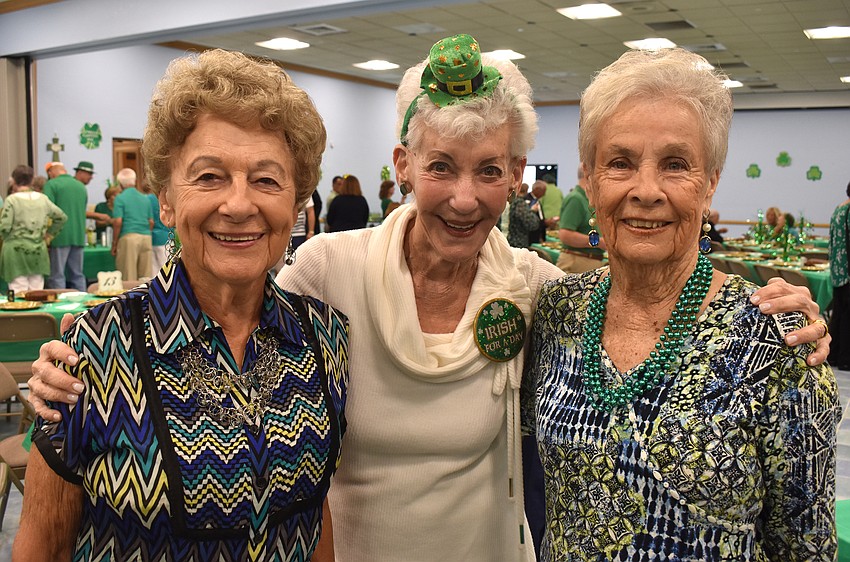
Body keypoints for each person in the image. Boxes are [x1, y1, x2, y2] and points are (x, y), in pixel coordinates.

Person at [28, 36, 830, 562]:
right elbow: (213, 288)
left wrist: (792, 315)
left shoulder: (541, 294)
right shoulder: (324, 279)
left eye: (491, 170)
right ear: (403, 164)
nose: (464, 196)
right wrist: (81, 352)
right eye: (441, 165)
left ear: (519, 177)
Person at [13, 49, 348, 562]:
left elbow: (314, 517)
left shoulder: (325, 338)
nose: (239, 205)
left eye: (266, 179)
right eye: (209, 176)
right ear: (166, 200)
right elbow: (44, 543)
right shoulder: (96, 346)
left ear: (296, 203)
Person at [522, 47, 839, 561]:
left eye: (676, 165)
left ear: (711, 181)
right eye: (620, 163)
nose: (646, 190)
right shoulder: (556, 309)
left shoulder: (775, 338)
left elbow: (804, 547)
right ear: (589, 177)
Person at [0, 165, 67, 291]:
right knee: (37, 291)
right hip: (38, 250)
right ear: (32, 180)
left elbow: (5, 227)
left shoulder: (12, 200)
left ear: (13, 180)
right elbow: (61, 217)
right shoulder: (42, 199)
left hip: (15, 251)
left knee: (18, 290)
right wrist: (49, 235)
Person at [43, 162, 89, 290]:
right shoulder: (81, 186)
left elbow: (47, 211)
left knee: (57, 276)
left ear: (50, 173)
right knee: (77, 275)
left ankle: (59, 306)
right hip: (78, 235)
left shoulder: (51, 184)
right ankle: (83, 306)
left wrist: (47, 234)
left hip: (59, 236)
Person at [556, 166, 606, 273]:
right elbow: (565, 234)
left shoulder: (587, 199)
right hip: (577, 262)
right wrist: (599, 242)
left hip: (585, 261)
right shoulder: (576, 199)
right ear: (587, 174)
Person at [111, 167, 154, 281]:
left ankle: (129, 299)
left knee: (128, 276)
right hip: (146, 237)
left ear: (120, 183)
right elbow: (151, 222)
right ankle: (147, 299)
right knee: (146, 278)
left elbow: (118, 221)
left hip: (129, 237)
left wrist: (114, 243)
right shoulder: (145, 198)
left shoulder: (120, 198)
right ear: (134, 181)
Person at [828, 181, 850, 370]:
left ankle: (834, 355)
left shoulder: (839, 210)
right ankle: (845, 359)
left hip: (837, 270)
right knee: (847, 317)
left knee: (838, 314)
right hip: (848, 271)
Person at [144, 180, 169, 277]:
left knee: (154, 272)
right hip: (166, 237)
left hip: (152, 238)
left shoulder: (146, 199)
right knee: (167, 271)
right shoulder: (164, 198)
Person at [507, 182, 542, 248]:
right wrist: (532, 211)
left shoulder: (506, 201)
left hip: (504, 240)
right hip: (517, 243)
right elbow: (532, 224)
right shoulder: (519, 203)